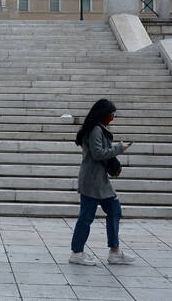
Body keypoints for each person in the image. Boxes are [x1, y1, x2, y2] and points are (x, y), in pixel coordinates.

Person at [69, 98, 135, 266]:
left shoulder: (99, 128)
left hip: (100, 181)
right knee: (86, 217)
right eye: (111, 114)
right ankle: (77, 252)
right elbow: (98, 153)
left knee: (114, 210)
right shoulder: (96, 130)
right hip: (92, 182)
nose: (112, 117)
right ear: (103, 114)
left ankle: (114, 251)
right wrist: (119, 148)